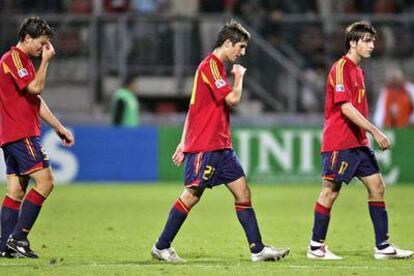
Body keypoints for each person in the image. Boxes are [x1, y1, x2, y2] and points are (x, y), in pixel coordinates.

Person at [150, 20, 290, 263]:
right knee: (192, 194)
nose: (242, 53)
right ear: (227, 43)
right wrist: (239, 78)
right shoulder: (211, 66)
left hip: (221, 146)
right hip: (207, 146)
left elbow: (193, 109)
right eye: (241, 47)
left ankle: (257, 249)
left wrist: (183, 142)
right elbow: (233, 100)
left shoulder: (211, 68)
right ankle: (161, 246)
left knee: (243, 191)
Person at [306, 21, 413, 260]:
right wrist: (376, 131)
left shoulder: (358, 71)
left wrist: (367, 135)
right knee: (330, 192)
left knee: (377, 187)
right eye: (367, 40)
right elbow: (345, 108)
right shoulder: (341, 68)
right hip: (340, 141)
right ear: (353, 43)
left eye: (373, 41)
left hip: (358, 143)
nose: (372, 45)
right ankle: (316, 246)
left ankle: (383, 246)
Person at [0, 17, 75, 259]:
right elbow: (35, 89)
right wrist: (45, 62)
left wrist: (58, 127)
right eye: (41, 43)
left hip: (12, 135)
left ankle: (3, 246)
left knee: (16, 191)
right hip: (20, 134)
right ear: (26, 38)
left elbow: (34, 100)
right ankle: (19, 238)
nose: (43, 48)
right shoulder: (14, 59)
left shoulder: (23, 62)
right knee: (46, 181)